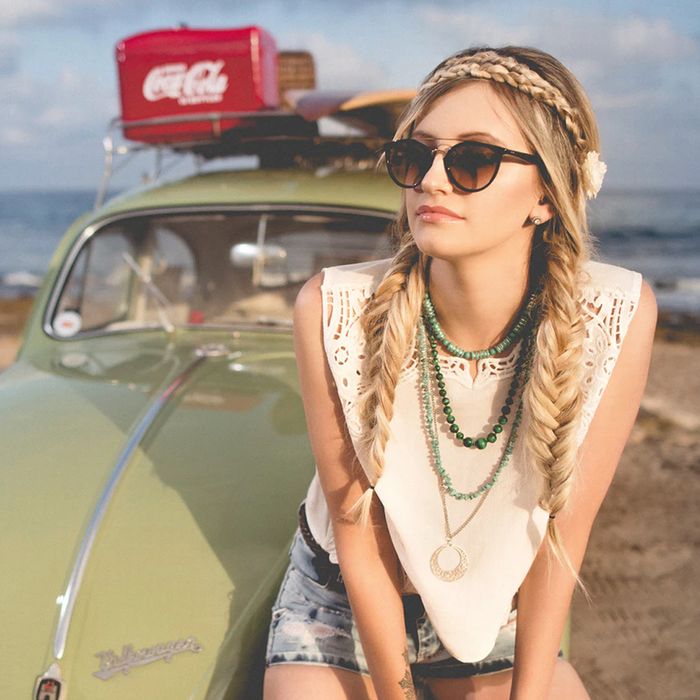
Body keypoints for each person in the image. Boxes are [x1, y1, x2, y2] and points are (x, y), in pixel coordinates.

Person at [263, 45, 657, 700]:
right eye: (416, 157)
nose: (433, 180)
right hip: (338, 605)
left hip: (496, 609)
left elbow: (565, 535)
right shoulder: (334, 308)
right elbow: (359, 540)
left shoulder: (614, 314)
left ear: (546, 198)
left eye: (472, 159)